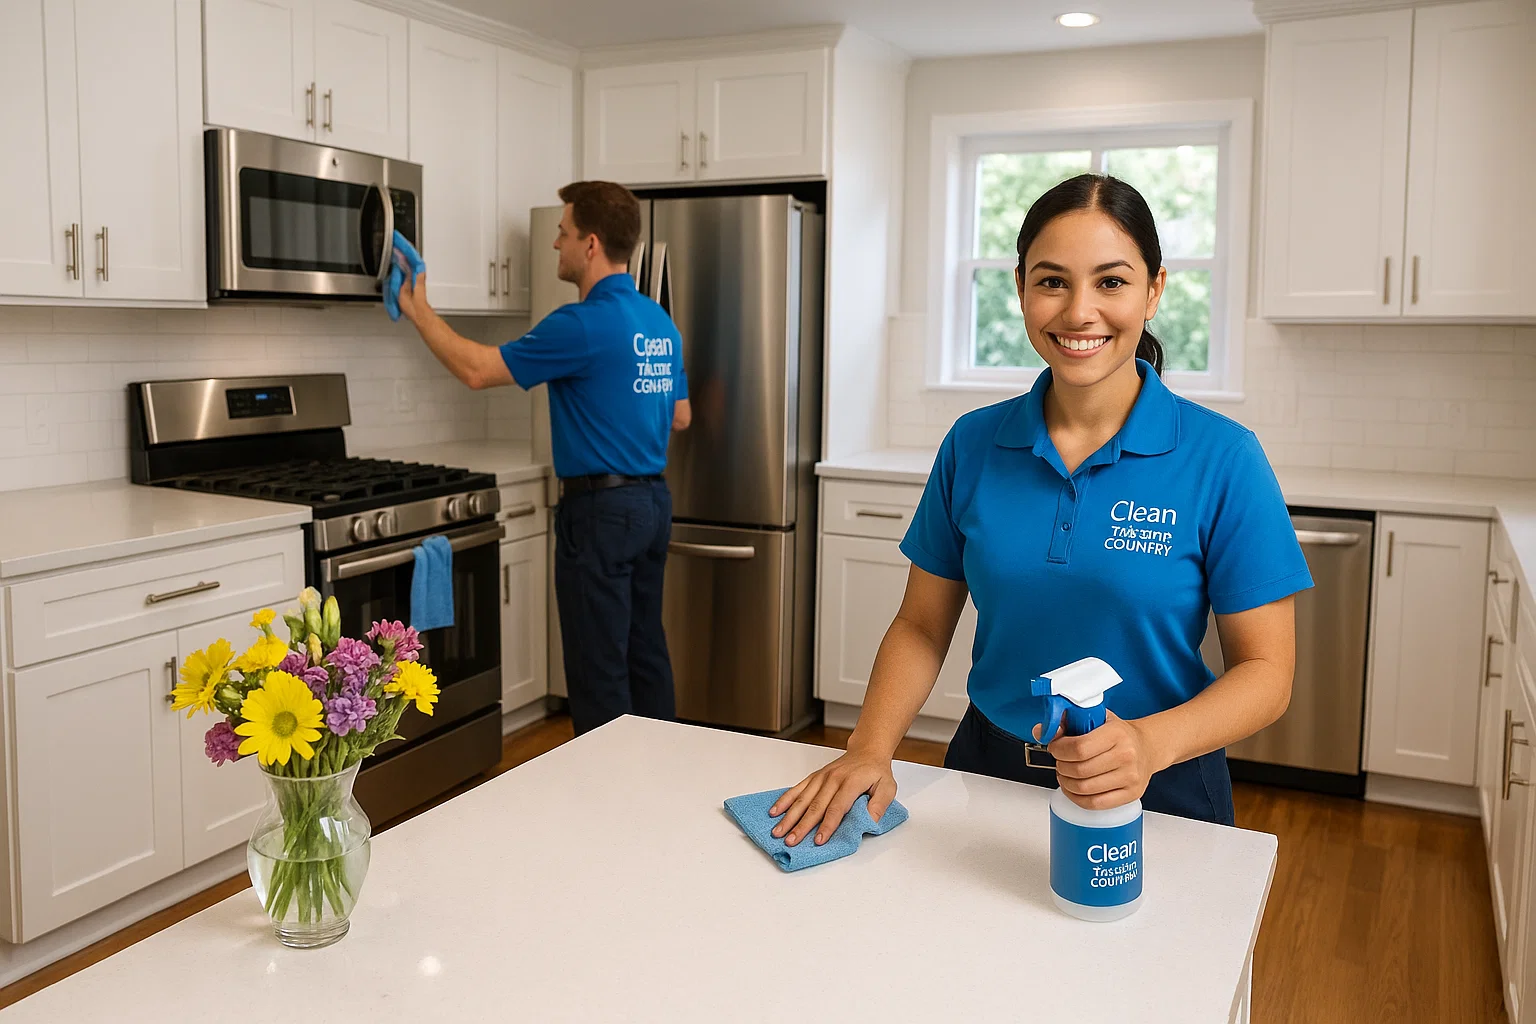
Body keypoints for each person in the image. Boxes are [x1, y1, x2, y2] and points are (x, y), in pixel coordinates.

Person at [770, 173, 1312, 848]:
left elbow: (1267, 674)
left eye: (1111, 282)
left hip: (1158, 787)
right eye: (1053, 281)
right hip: (985, 778)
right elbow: (920, 625)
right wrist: (871, 746)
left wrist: (1146, 744)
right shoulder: (974, 443)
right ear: (1021, 288)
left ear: (1155, 291)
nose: (1079, 311)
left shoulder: (1223, 458)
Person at [392, 180, 690, 736]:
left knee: (598, 666)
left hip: (600, 512)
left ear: (592, 244)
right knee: (645, 650)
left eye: (563, 233)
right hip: (652, 504)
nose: (557, 245)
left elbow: (478, 371)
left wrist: (419, 310)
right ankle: (658, 783)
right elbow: (681, 415)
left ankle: (605, 798)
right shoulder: (658, 323)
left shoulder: (579, 324)